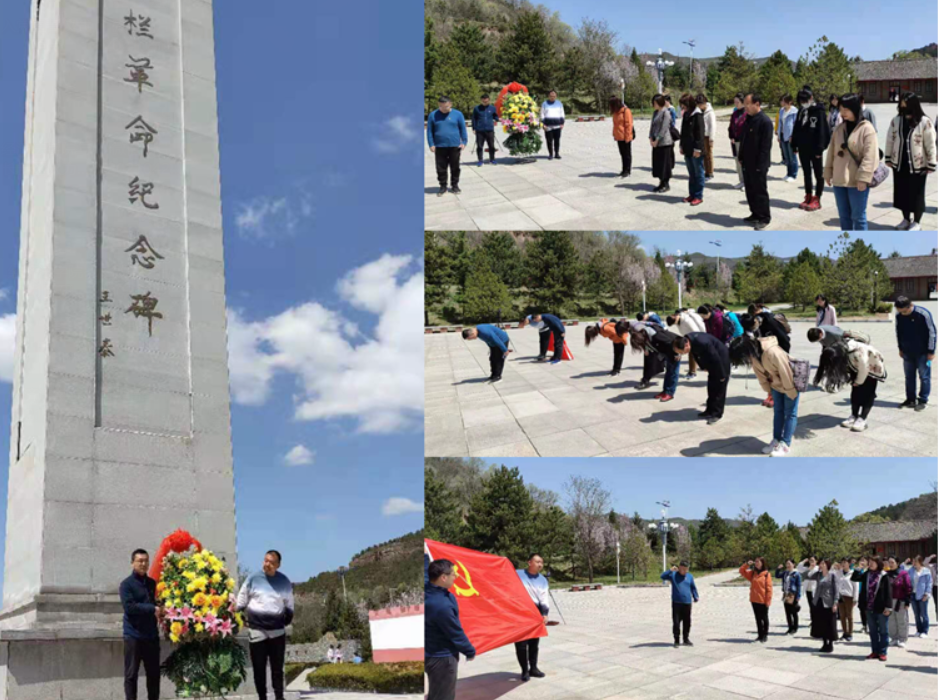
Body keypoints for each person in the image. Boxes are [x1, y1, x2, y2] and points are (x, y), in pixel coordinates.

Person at [234, 550, 294, 700]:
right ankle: (262, 697)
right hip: (257, 631)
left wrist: (285, 620)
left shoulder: (284, 581)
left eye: (271, 562)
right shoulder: (253, 579)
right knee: (259, 670)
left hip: (277, 632)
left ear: (278, 565)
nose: (267, 564)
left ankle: (279, 697)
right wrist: (239, 614)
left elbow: (289, 605)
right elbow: (241, 599)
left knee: (277, 670)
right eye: (265, 560)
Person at [729, 334, 799, 456]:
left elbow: (787, 372)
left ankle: (785, 444)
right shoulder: (754, 355)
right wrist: (769, 391)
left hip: (790, 384)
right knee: (778, 412)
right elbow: (760, 375)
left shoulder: (773, 352)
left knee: (790, 414)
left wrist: (791, 391)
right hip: (776, 385)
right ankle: (776, 440)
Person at [824, 93, 880, 231]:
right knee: (844, 216)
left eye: (846, 109)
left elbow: (870, 156)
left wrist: (863, 178)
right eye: (840, 109)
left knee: (858, 217)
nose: (842, 113)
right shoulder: (839, 129)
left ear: (854, 108)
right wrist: (828, 172)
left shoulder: (866, 128)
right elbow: (831, 152)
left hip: (857, 181)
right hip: (839, 179)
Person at [884, 92, 937, 231]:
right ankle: (906, 219)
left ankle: (917, 222)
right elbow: (890, 139)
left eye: (906, 105)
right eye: (901, 105)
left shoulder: (925, 122)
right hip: (900, 164)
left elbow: (931, 144)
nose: (903, 108)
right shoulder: (896, 120)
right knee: (902, 194)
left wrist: (931, 163)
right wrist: (888, 157)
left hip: (918, 166)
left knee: (917, 195)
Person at [425, 558, 476, 700]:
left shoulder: (427, 590)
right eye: (453, 574)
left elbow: (425, 574)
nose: (456, 576)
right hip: (442, 659)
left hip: (430, 652)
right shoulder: (441, 605)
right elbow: (455, 633)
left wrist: (425, 558)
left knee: (435, 693)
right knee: (443, 696)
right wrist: (469, 651)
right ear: (443, 577)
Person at [813, 337, 887, 432]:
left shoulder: (857, 353)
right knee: (855, 393)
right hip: (856, 367)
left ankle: (862, 419)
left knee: (868, 394)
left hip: (871, 368)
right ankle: (854, 415)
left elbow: (864, 369)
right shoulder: (838, 349)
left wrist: (858, 382)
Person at [120, 549, 161, 700]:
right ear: (133, 563)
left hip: (151, 636)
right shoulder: (126, 585)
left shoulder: (151, 583)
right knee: (131, 675)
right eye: (140, 561)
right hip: (133, 636)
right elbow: (129, 608)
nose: (143, 564)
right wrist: (152, 608)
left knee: (154, 675)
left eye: (146, 561)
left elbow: (154, 603)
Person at [673, 333, 730, 424]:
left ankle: (717, 414)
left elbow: (715, 358)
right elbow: (695, 354)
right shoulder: (687, 339)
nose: (682, 354)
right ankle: (709, 410)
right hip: (712, 360)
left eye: (682, 352)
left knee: (719, 388)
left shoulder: (702, 342)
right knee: (711, 387)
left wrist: (722, 375)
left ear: (686, 345)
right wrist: (703, 367)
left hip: (721, 359)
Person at [791, 87, 831, 211]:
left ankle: (817, 198)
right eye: (801, 101)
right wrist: (794, 144)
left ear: (811, 98)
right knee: (806, 173)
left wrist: (820, 148)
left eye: (805, 100)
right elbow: (797, 128)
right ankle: (808, 195)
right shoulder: (801, 111)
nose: (803, 103)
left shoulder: (819, 112)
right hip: (803, 147)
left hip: (815, 149)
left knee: (818, 174)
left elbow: (823, 132)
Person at [738, 93, 774, 230]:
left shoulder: (765, 121)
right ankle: (755, 213)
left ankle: (764, 217)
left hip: (759, 163)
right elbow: (744, 140)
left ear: (757, 104)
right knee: (750, 190)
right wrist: (740, 156)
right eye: (745, 104)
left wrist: (761, 165)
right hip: (747, 162)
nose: (745, 107)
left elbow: (766, 146)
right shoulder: (748, 119)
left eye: (748, 104)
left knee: (760, 191)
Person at [895, 295, 935, 411]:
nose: (903, 314)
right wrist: (900, 348)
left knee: (924, 377)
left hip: (923, 353)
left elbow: (932, 333)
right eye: (900, 311)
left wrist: (931, 351)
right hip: (907, 352)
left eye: (904, 311)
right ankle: (910, 399)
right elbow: (899, 332)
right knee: (909, 377)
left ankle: (923, 399)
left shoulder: (923, 314)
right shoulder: (899, 316)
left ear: (910, 306)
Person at [515, 554, 549, 681]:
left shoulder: (542, 580)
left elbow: (544, 597)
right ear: (529, 562)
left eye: (542, 562)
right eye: (537, 561)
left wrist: (545, 613)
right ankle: (524, 670)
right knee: (521, 644)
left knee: (534, 643)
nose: (540, 564)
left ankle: (533, 668)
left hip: (535, 612)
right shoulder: (517, 574)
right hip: (519, 612)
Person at [427, 96, 468, 196]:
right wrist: (431, 144)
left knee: (455, 167)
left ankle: (455, 185)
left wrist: (464, 142)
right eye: (441, 106)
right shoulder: (433, 115)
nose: (443, 109)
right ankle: (443, 186)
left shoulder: (458, 114)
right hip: (440, 146)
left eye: (446, 107)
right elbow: (429, 131)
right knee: (441, 168)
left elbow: (463, 129)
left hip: (455, 145)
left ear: (450, 104)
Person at [629, 324, 682, 401]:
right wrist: (646, 348)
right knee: (668, 372)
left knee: (673, 373)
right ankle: (665, 391)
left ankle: (670, 393)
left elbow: (672, 341)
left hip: (676, 350)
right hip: (668, 352)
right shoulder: (644, 334)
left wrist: (678, 353)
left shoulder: (656, 336)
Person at [860, 557, 893, 661]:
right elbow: (855, 578)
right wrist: (859, 568)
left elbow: (888, 592)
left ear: (878, 564)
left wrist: (888, 607)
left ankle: (882, 652)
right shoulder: (867, 574)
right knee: (873, 631)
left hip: (881, 608)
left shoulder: (884, 576)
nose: (870, 564)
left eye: (872, 562)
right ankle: (874, 651)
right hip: (869, 607)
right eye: (869, 562)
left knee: (883, 631)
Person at [661, 561, 699, 648]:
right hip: (677, 603)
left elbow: (693, 587)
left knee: (687, 622)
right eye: (683, 569)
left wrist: (695, 596)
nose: (685, 571)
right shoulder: (673, 575)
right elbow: (662, 576)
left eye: (687, 569)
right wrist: (670, 570)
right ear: (679, 568)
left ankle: (686, 639)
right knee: (676, 622)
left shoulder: (689, 576)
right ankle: (676, 640)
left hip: (687, 603)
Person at [805, 560, 840, 653]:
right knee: (821, 623)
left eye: (823, 564)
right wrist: (810, 568)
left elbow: (836, 590)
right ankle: (824, 643)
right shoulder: (818, 574)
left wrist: (835, 603)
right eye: (820, 564)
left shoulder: (832, 575)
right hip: (818, 601)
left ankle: (830, 644)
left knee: (830, 624)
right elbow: (806, 576)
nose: (821, 565)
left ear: (827, 565)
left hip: (829, 602)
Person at [679, 93, 706, 206]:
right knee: (691, 173)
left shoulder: (698, 115)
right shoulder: (686, 114)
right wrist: (681, 145)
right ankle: (692, 194)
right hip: (687, 148)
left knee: (698, 173)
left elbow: (700, 134)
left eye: (684, 105)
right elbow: (683, 131)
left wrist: (698, 149)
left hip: (696, 150)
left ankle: (698, 196)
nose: (682, 107)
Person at [739, 558, 773, 643]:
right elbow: (741, 571)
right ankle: (760, 635)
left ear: (762, 563)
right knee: (758, 618)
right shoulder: (752, 573)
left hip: (763, 600)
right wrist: (747, 564)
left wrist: (768, 601)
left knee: (764, 618)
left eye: (758, 561)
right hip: (754, 600)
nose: (756, 563)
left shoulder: (766, 574)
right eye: (756, 561)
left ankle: (765, 635)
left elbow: (769, 589)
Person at [667, 308, 706, 378]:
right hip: (690, 338)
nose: (675, 324)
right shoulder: (679, 321)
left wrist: (691, 341)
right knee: (694, 355)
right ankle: (693, 371)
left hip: (696, 338)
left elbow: (696, 330)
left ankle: (692, 372)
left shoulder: (686, 320)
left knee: (692, 355)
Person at [885, 556, 912, 648]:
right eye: (889, 562)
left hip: (901, 601)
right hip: (889, 601)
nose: (890, 564)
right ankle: (894, 638)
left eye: (892, 562)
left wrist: (907, 601)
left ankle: (902, 639)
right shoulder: (887, 574)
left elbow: (908, 588)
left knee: (902, 620)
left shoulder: (903, 574)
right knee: (891, 621)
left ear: (897, 563)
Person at [650, 95, 675, 192]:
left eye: (655, 103)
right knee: (658, 164)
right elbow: (652, 126)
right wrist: (651, 137)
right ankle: (661, 182)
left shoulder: (666, 112)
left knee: (665, 164)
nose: (653, 105)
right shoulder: (655, 113)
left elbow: (664, 128)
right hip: (656, 142)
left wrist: (657, 140)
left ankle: (666, 184)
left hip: (665, 142)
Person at [775, 559, 803, 635]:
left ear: (793, 564)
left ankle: (795, 628)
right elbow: (777, 576)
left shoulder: (796, 574)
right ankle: (790, 627)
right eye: (787, 563)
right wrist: (778, 569)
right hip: (786, 594)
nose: (788, 565)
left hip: (793, 594)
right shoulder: (785, 573)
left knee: (793, 612)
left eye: (789, 563)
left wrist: (798, 596)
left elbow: (799, 586)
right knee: (787, 612)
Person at [471, 94, 498, 167]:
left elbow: (495, 116)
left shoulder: (492, 108)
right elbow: (474, 119)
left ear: (489, 100)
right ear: (481, 100)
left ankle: (492, 159)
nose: (485, 102)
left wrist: (496, 119)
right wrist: (474, 128)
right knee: (479, 146)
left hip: (490, 130)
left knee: (491, 146)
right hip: (480, 130)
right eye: (483, 101)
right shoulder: (477, 108)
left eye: (486, 101)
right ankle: (480, 160)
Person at [777, 95, 799, 182]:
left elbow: (796, 126)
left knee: (792, 156)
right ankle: (788, 173)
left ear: (789, 102)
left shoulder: (794, 111)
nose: (782, 102)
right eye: (781, 100)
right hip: (782, 135)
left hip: (790, 136)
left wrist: (793, 136)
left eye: (783, 101)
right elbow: (780, 123)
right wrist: (779, 135)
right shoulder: (781, 110)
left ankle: (793, 175)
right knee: (786, 157)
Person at [833, 558, 856, 641]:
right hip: (840, 596)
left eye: (845, 562)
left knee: (849, 616)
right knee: (842, 616)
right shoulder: (838, 573)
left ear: (849, 563)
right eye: (842, 562)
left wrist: (855, 599)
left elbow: (856, 586)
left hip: (849, 596)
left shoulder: (852, 573)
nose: (843, 564)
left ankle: (850, 633)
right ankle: (845, 632)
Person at [728, 92, 748, 189]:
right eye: (734, 102)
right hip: (735, 142)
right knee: (737, 162)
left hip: (744, 142)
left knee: (744, 163)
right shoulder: (734, 113)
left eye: (737, 102)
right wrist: (731, 136)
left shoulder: (747, 113)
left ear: (743, 102)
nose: (735, 104)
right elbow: (731, 127)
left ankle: (747, 182)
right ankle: (741, 180)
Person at [610, 97, 634, 177]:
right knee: (622, 154)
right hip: (619, 136)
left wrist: (627, 137)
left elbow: (628, 125)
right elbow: (615, 125)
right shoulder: (615, 112)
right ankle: (623, 169)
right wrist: (614, 134)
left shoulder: (626, 111)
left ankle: (627, 170)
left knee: (627, 154)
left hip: (625, 136)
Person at [910, 555, 933, 638]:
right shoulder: (911, 570)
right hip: (913, 595)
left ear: (920, 562)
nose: (913, 563)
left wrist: (927, 593)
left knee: (924, 614)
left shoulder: (926, 571)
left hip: (923, 595)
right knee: (917, 614)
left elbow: (929, 583)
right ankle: (919, 630)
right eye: (913, 561)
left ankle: (925, 631)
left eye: (915, 561)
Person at [540, 90, 565, 160]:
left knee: (557, 140)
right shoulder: (544, 104)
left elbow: (562, 113)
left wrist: (562, 123)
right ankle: (550, 154)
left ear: (556, 96)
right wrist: (543, 124)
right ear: (548, 96)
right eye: (551, 96)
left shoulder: (559, 103)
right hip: (548, 126)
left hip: (557, 125)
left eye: (554, 96)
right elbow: (542, 114)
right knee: (549, 141)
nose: (552, 97)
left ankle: (557, 153)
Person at [699, 94, 716, 180]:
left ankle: (710, 172)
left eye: (700, 104)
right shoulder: (700, 111)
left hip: (707, 136)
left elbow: (712, 126)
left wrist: (711, 139)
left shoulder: (710, 112)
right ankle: (705, 171)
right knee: (703, 155)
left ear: (704, 103)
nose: (699, 106)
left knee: (708, 155)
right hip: (701, 135)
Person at [798, 557, 820, 625]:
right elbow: (799, 568)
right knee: (811, 606)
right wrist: (803, 561)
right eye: (810, 561)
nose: (812, 562)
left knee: (815, 606)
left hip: (816, 590)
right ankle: (813, 620)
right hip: (808, 590)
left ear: (816, 561)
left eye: (813, 560)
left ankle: (817, 620)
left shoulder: (818, 568)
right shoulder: (807, 568)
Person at [851, 557, 870, 634]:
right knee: (862, 610)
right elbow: (854, 578)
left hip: (869, 594)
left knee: (869, 610)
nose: (862, 562)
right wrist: (858, 568)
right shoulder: (859, 570)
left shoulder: (869, 571)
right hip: (861, 593)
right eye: (861, 560)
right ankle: (864, 625)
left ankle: (870, 625)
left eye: (863, 560)